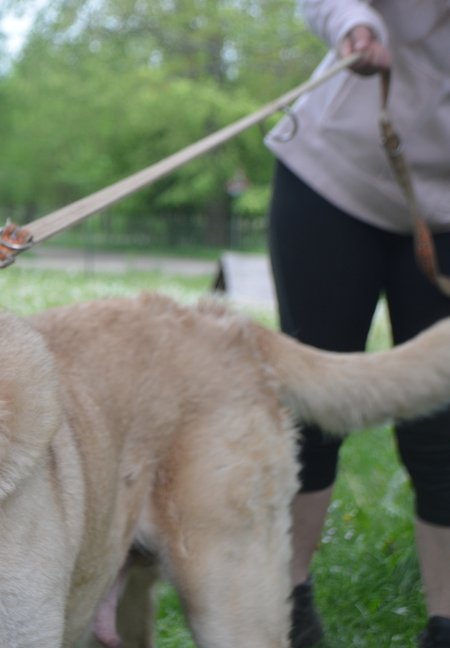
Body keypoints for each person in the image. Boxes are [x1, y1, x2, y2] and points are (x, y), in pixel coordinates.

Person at [265, 1, 450, 646]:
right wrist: (354, 27)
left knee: (444, 424)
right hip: (334, 179)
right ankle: (284, 603)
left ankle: (445, 620)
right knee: (314, 399)